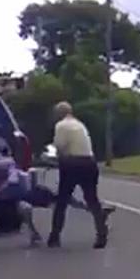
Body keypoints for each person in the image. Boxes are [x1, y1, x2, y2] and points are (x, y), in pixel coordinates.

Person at [49, 101, 107, 249]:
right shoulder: (80, 125)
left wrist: (55, 158)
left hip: (72, 163)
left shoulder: (61, 126)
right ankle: (101, 232)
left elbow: (60, 146)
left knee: (62, 200)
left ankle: (55, 236)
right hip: (89, 162)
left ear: (59, 114)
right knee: (92, 198)